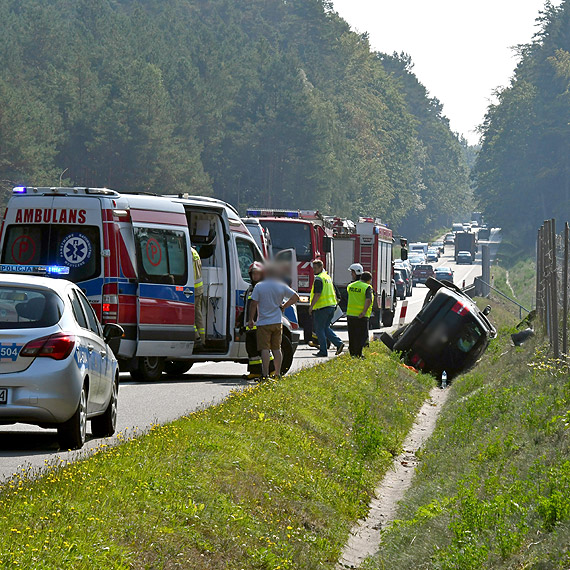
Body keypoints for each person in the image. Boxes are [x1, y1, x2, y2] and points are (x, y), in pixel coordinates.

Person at [248, 264, 299, 379]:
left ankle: (265, 375)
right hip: (277, 322)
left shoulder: (259, 286)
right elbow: (295, 297)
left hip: (263, 323)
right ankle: (277, 374)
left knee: (265, 349)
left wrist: (251, 319)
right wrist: (284, 306)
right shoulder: (281, 286)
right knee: (277, 349)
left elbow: (253, 304)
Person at [243, 262, 273, 380]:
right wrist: (242, 322)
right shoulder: (250, 288)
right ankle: (255, 371)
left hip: (259, 324)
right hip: (249, 325)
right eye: (253, 274)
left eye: (257, 274)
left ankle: (272, 370)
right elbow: (247, 306)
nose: (255, 276)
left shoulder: (262, 288)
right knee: (251, 349)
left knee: (263, 348)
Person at [309, 259, 344, 358]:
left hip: (322, 308)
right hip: (331, 306)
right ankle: (338, 343)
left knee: (319, 329)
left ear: (321, 267)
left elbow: (317, 294)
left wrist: (311, 306)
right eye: (313, 268)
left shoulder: (319, 279)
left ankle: (323, 351)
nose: (314, 270)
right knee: (325, 328)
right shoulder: (327, 277)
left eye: (315, 268)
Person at [346, 270, 373, 358]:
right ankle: (358, 354)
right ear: (369, 280)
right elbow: (368, 300)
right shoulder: (367, 287)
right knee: (361, 336)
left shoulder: (350, 286)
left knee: (352, 335)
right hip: (361, 315)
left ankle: (352, 353)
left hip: (350, 314)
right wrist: (364, 311)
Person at [191, 246, 205, 347]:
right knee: (197, 314)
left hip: (192, 289)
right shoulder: (194, 252)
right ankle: (202, 339)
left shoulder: (188, 252)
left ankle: (197, 338)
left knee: (190, 314)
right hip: (198, 288)